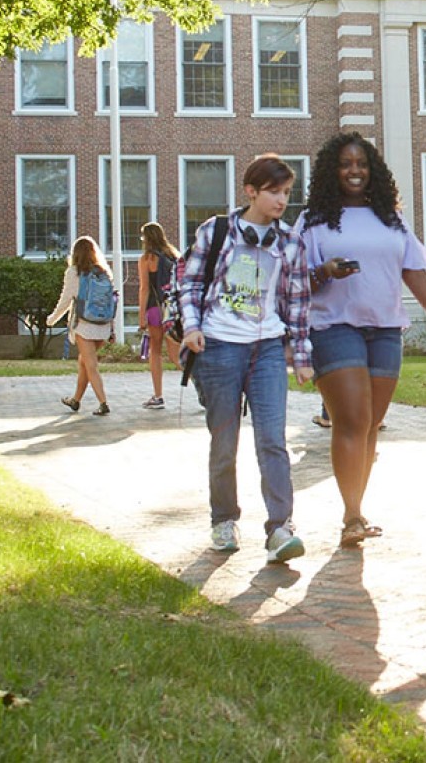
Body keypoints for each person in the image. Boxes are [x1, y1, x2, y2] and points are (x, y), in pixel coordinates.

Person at [297, 132, 426, 549]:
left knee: (370, 423)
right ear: (332, 171)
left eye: (361, 164)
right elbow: (293, 281)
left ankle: (357, 510)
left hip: (386, 329)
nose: (354, 171)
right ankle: (352, 514)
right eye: (345, 164)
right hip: (334, 326)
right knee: (352, 419)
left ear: (373, 171)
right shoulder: (313, 222)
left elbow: (414, 272)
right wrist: (325, 272)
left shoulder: (390, 219)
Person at [177, 154, 313, 561]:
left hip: (267, 348)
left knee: (272, 440)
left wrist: (301, 354)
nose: (282, 200)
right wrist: (191, 326)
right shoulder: (216, 231)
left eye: (287, 192)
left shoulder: (290, 242)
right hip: (219, 346)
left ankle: (280, 529)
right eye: (274, 191)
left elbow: (298, 304)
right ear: (251, 191)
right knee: (225, 441)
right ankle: (224, 520)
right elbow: (189, 283)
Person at [48, 235, 115, 416]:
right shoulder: (103, 272)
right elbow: (111, 302)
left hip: (84, 325)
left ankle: (103, 403)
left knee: (90, 365)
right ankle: (75, 400)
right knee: (84, 362)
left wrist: (52, 319)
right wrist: (112, 328)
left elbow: (65, 299)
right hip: (102, 325)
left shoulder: (74, 272)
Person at [136, 221, 180, 410]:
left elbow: (145, 288)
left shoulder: (147, 259)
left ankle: (158, 395)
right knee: (176, 355)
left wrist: (141, 316)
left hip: (155, 309)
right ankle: (205, 390)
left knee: (155, 351)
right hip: (172, 309)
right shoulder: (173, 255)